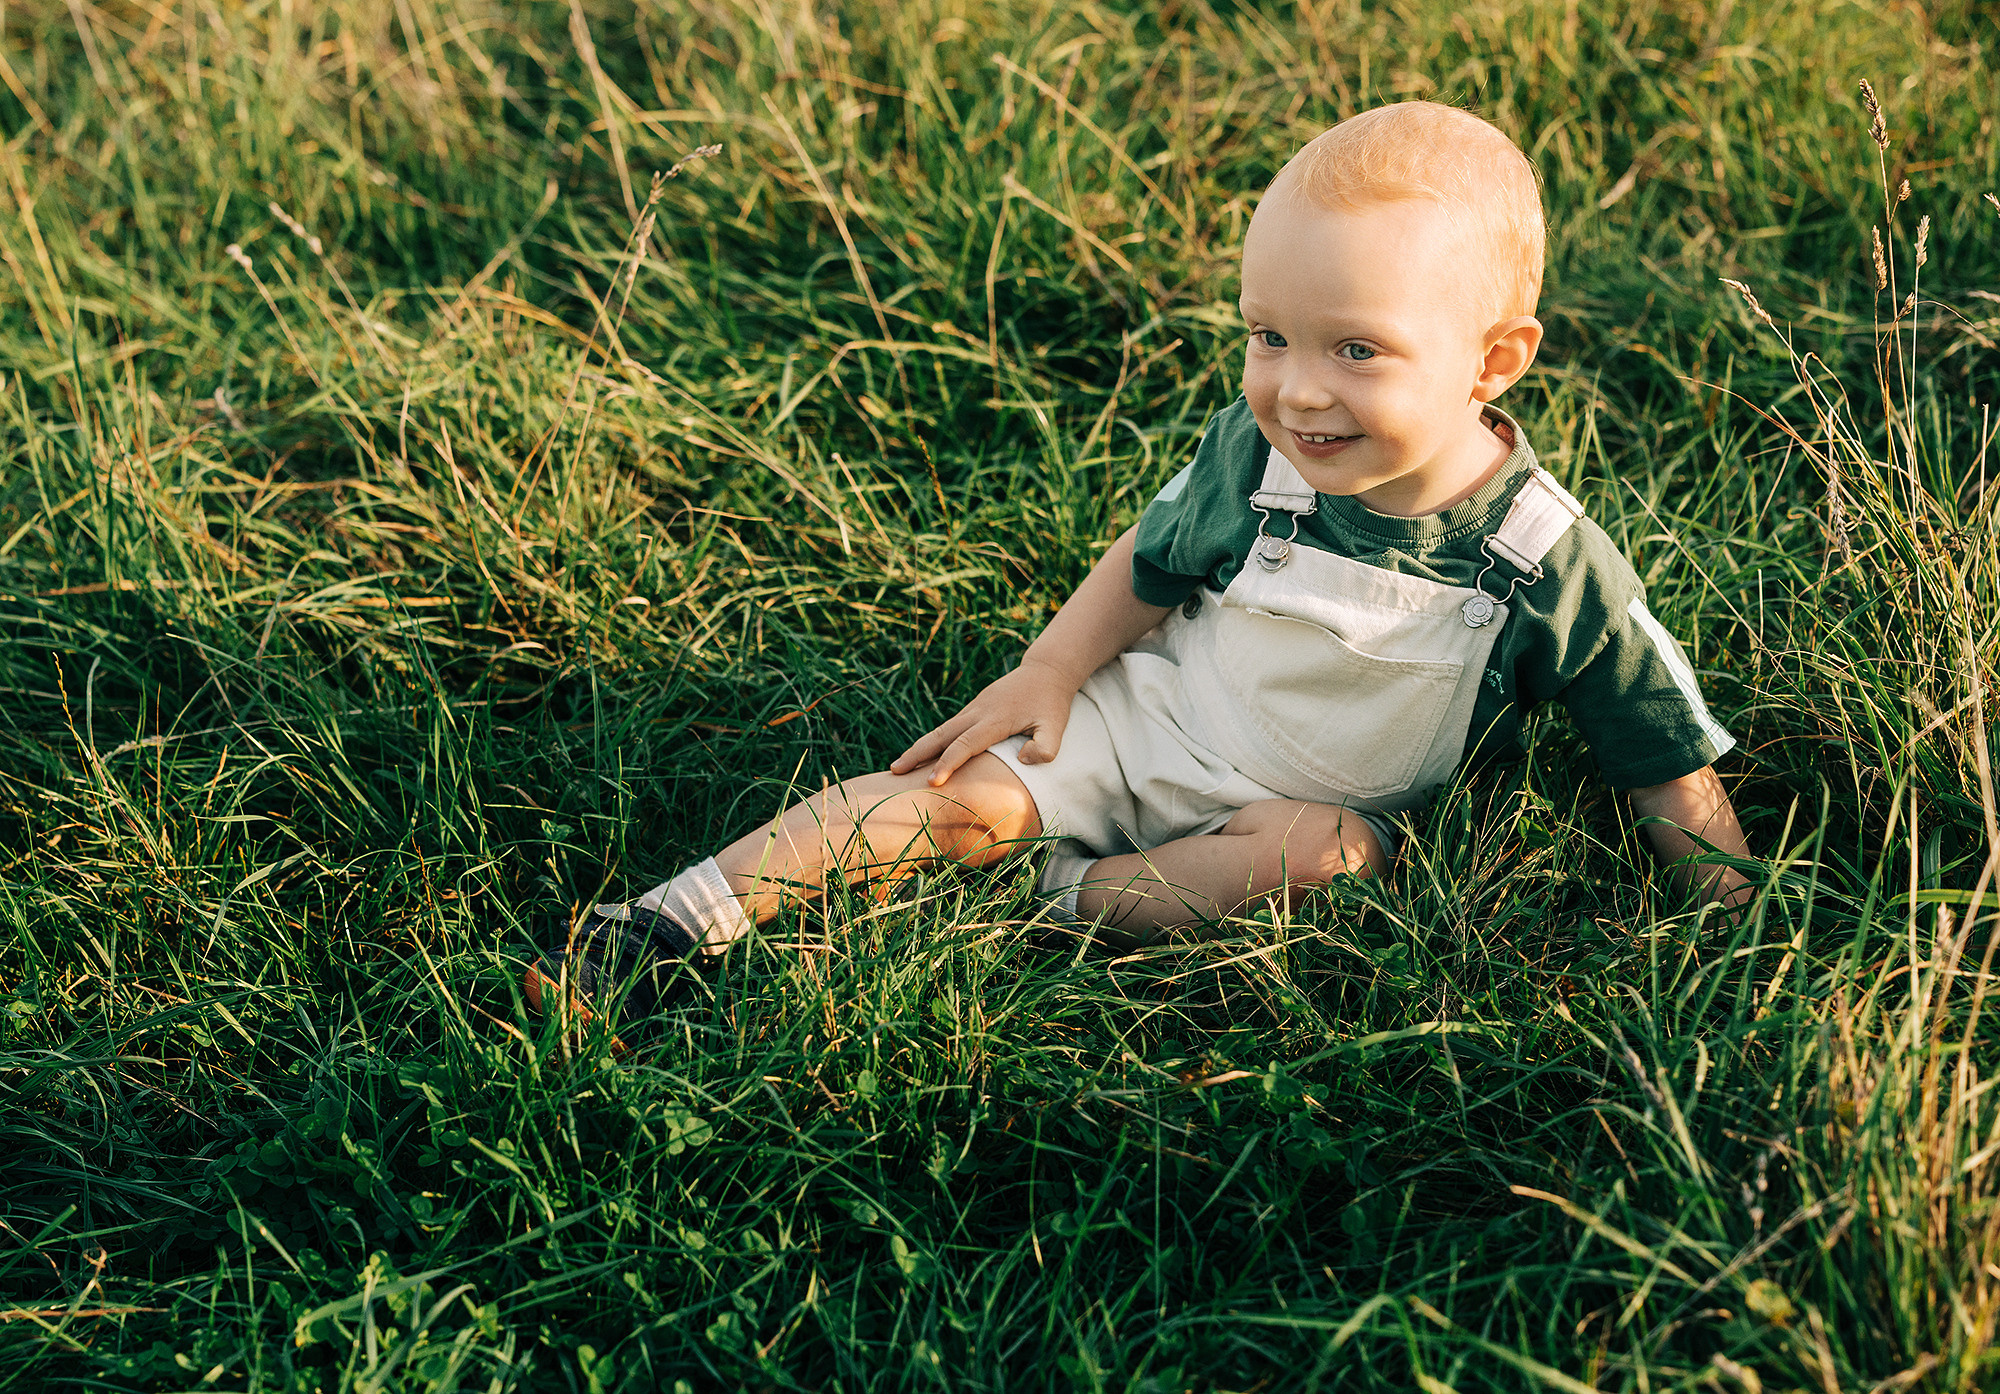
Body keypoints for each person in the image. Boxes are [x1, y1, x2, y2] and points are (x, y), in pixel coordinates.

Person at [524, 100, 1752, 1018]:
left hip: (1292, 812)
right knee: (952, 797)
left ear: (1492, 362)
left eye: (1356, 351)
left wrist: (1729, 920)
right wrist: (1055, 664)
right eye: (1266, 335)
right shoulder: (1258, 455)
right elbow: (1152, 562)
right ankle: (664, 923)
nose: (1296, 390)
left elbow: (1662, 748)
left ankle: (1059, 899)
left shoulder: (1545, 558)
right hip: (1148, 720)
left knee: (1333, 859)